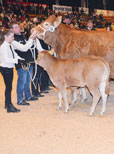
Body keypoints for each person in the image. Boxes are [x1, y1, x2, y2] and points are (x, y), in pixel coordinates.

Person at [10, 22, 38, 106]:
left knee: (28, 80)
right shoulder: (13, 40)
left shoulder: (23, 36)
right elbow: (24, 48)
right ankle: (20, 99)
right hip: (21, 63)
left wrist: (32, 38)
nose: (18, 28)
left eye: (18, 26)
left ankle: (28, 96)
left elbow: (29, 45)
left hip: (29, 61)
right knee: (22, 81)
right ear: (11, 30)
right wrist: (31, 38)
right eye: (15, 27)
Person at [0, 30, 22, 112]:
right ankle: (9, 106)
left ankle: (7, 104)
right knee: (9, 87)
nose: (13, 38)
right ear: (6, 36)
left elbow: (14, 54)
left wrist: (20, 59)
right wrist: (16, 61)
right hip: (6, 69)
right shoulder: (3, 46)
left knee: (8, 87)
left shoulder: (9, 45)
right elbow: (6, 59)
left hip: (9, 68)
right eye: (12, 36)